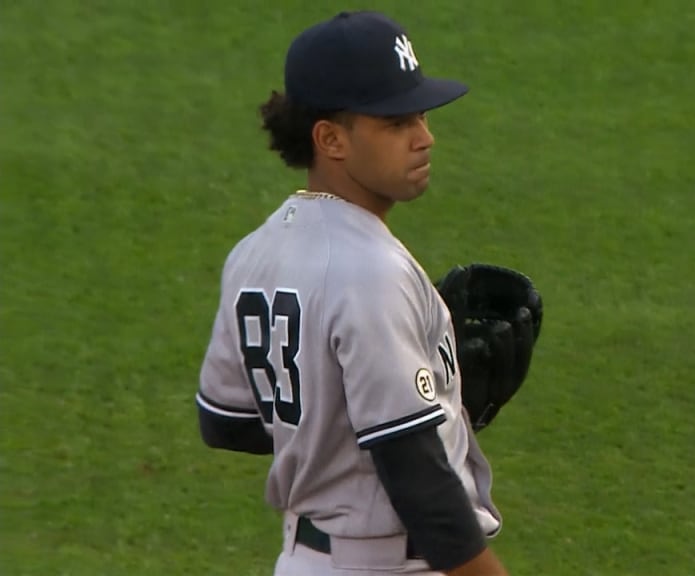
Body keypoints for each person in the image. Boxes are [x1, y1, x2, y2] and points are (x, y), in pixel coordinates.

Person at [194, 10, 509, 576]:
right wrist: (409, 421)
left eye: (420, 115)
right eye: (396, 123)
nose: (424, 137)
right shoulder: (371, 271)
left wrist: (424, 403)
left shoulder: (255, 251)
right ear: (331, 139)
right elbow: (420, 483)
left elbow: (228, 420)